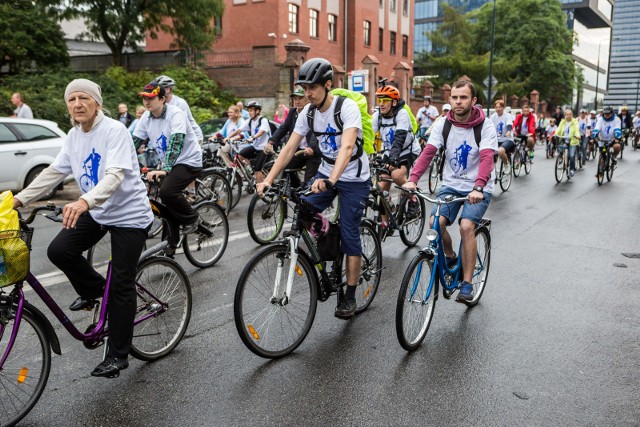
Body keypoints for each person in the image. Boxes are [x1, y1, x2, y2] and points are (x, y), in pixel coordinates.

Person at [11, 79, 153, 378]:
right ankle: (97, 291)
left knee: (123, 284)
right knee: (59, 250)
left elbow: (115, 176)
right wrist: (19, 199)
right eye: (72, 99)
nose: (77, 104)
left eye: (83, 98)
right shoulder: (75, 136)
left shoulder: (114, 131)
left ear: (96, 102)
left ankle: (118, 355)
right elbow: (54, 172)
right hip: (98, 210)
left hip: (128, 215)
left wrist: (83, 202)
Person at [257, 57, 370, 319]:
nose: (307, 93)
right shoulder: (307, 113)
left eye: (312, 88)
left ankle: (350, 296)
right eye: (304, 88)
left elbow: (347, 147)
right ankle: (330, 238)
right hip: (325, 172)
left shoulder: (346, 108)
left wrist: (332, 180)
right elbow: (288, 148)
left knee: (351, 234)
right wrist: (268, 179)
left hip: (353, 177)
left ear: (328, 85)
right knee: (304, 209)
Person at [403, 80, 497, 302]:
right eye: (454, 97)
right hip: (451, 184)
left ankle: (466, 283)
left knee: (466, 226)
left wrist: (479, 186)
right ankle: (450, 255)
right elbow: (428, 152)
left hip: (478, 187)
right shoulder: (443, 124)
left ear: (473, 101)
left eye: (463, 97)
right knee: (435, 222)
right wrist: (413, 179)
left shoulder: (485, 126)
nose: (458, 101)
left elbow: (486, 159)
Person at [132, 82, 203, 234]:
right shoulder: (146, 117)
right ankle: (171, 243)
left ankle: (193, 218)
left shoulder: (176, 114)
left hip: (188, 160)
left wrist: (165, 168)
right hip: (169, 163)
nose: (146, 102)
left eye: (151, 98)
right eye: (144, 98)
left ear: (162, 99)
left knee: (167, 192)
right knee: (165, 204)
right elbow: (134, 142)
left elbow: (176, 142)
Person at [371, 84, 421, 230]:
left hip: (407, 150)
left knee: (397, 175)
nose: (381, 104)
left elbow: (399, 139)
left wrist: (393, 159)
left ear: (393, 102)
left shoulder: (402, 114)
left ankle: (413, 199)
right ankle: (387, 222)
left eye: (385, 100)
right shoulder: (377, 116)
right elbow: (368, 138)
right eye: (379, 100)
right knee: (380, 189)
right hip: (389, 151)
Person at [266, 86, 321, 188]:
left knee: (309, 180)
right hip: (298, 150)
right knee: (285, 167)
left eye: (300, 98)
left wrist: (312, 147)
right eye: (295, 99)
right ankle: (296, 190)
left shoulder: (314, 111)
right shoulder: (292, 112)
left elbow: (315, 131)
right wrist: (271, 141)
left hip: (312, 152)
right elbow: (283, 128)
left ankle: (306, 194)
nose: (297, 101)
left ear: (307, 99)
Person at [224, 101, 271, 184]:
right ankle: (250, 170)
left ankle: (260, 191)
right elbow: (239, 130)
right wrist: (228, 137)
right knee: (239, 155)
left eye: (251, 110)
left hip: (264, 148)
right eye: (248, 110)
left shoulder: (263, 120)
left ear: (257, 111)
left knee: (258, 169)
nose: (249, 112)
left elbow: (261, 132)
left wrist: (253, 137)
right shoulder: (249, 121)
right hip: (255, 146)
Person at [154, 75, 204, 142]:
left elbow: (180, 125)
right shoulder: (160, 103)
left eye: (158, 89)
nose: (155, 92)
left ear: (167, 89)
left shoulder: (180, 103)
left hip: (194, 138)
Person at [593, 105, 622, 179]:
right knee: (602, 156)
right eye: (605, 114)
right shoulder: (600, 119)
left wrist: (617, 136)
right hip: (602, 139)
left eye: (608, 114)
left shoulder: (616, 119)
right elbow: (597, 127)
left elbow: (617, 128)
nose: (606, 115)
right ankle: (600, 171)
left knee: (617, 146)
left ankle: (614, 156)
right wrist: (594, 134)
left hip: (612, 139)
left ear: (612, 113)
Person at [489, 100, 515, 172]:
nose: (498, 109)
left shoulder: (507, 115)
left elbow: (509, 124)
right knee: (487, 150)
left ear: (503, 108)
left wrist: (509, 131)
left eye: (500, 107)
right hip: (496, 139)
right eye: (496, 107)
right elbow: (489, 127)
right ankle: (492, 167)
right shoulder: (493, 116)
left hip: (507, 139)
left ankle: (506, 164)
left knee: (500, 151)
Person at [556, 109, 581, 177]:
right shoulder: (562, 122)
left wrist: (577, 135)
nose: (569, 116)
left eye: (570, 114)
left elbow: (576, 129)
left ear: (572, 115)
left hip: (572, 141)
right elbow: (559, 129)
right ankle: (561, 158)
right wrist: (555, 133)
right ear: (565, 115)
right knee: (559, 149)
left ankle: (572, 169)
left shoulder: (575, 121)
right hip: (564, 140)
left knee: (572, 155)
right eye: (567, 114)